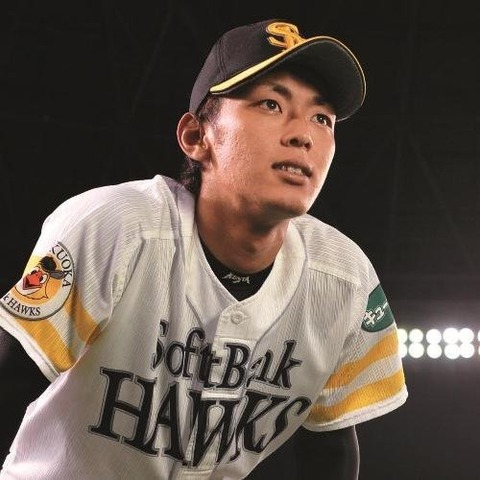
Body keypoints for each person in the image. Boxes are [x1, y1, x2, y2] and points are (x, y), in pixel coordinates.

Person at [0, 18, 408, 479]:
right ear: (196, 137)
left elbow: (330, 447)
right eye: (271, 104)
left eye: (322, 118)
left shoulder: (345, 279)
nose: (304, 135)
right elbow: (11, 375)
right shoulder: (117, 226)